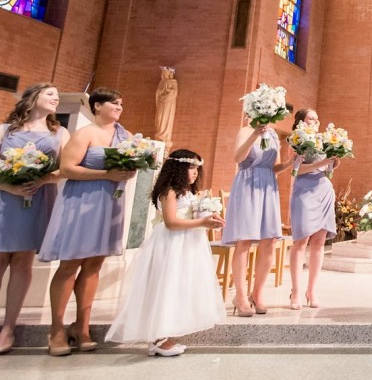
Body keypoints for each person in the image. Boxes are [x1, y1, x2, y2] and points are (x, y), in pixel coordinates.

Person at [39, 88, 136, 356]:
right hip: (83, 201)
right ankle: (56, 329)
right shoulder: (85, 134)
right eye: (113, 103)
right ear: (97, 107)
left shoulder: (124, 135)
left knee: (94, 265)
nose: (119, 106)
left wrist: (132, 168)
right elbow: (68, 169)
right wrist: (108, 172)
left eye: (121, 103)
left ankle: (82, 327)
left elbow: (134, 157)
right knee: (70, 264)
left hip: (109, 202)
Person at [105, 149, 225, 356]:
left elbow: (190, 214)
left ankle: (165, 334)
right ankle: (158, 338)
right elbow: (171, 222)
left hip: (188, 243)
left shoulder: (188, 193)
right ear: (178, 168)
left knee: (179, 287)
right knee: (166, 287)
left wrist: (209, 217)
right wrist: (201, 222)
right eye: (191, 167)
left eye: (197, 168)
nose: (196, 172)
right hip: (172, 243)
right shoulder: (169, 191)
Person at [0, 83, 68, 354]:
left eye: (58, 96)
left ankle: (8, 327)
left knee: (22, 261)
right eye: (50, 94)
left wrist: (43, 178)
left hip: (37, 198)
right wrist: (9, 186)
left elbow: (66, 167)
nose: (56, 98)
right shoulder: (6, 131)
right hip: (4, 196)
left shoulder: (59, 132)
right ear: (33, 97)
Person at [222, 103, 295, 316]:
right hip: (247, 185)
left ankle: (258, 293)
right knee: (244, 241)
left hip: (268, 185)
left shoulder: (273, 135)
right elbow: (238, 158)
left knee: (270, 241)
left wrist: (291, 162)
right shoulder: (245, 131)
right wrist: (254, 134)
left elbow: (275, 167)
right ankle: (241, 296)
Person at [288, 108, 337, 310]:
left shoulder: (325, 139)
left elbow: (327, 170)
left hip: (324, 188)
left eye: (317, 118)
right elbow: (295, 170)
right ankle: (296, 291)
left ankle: (311, 290)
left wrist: (333, 163)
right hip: (304, 190)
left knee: (318, 242)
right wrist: (324, 162)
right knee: (301, 241)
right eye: (311, 118)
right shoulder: (295, 140)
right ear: (301, 121)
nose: (315, 122)